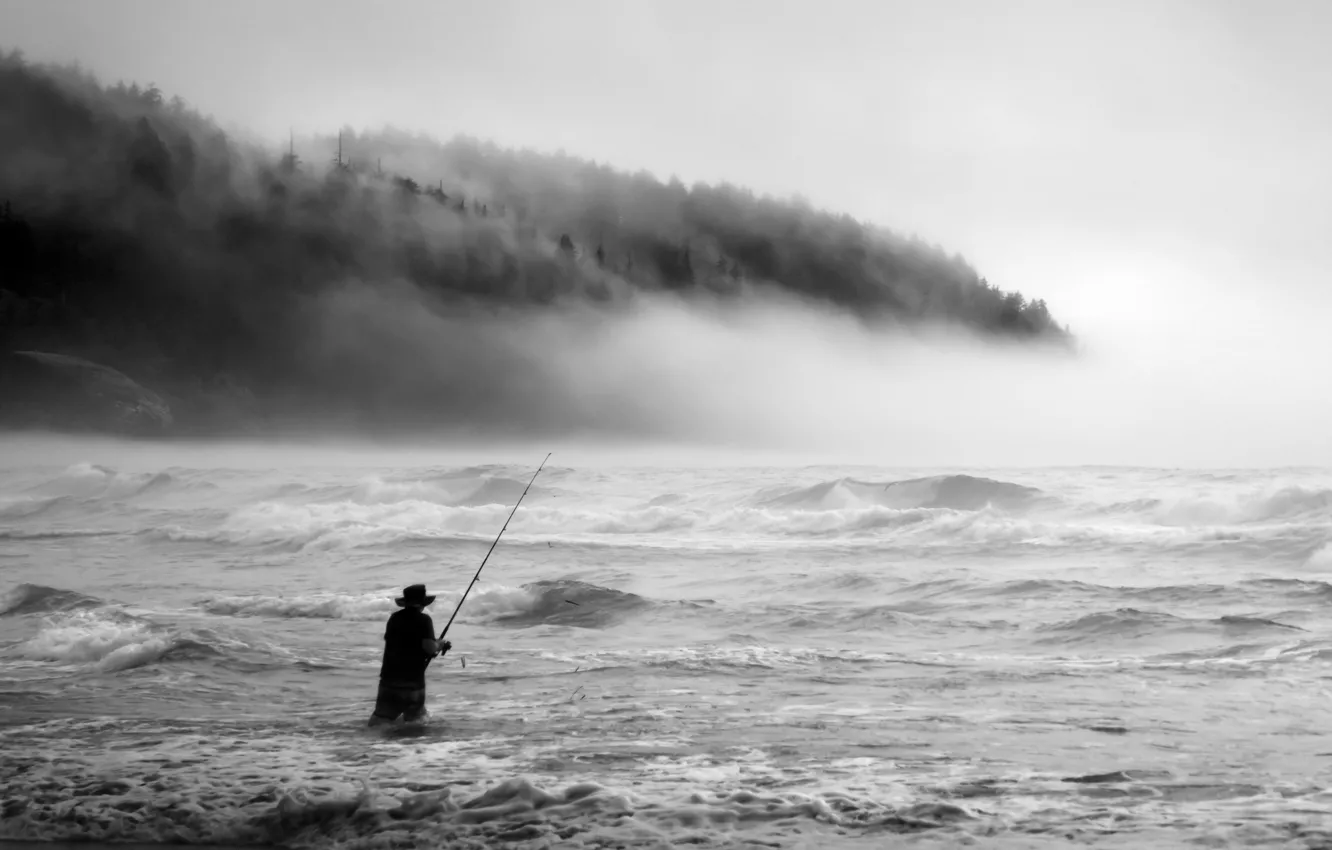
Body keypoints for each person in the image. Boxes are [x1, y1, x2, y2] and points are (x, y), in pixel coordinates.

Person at [368, 583, 452, 726]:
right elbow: (429, 648)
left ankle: (368, 740)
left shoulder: (394, 618)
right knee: (416, 722)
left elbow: (400, 644)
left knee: (379, 721)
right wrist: (440, 644)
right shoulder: (424, 620)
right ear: (422, 603)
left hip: (389, 680)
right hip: (412, 682)